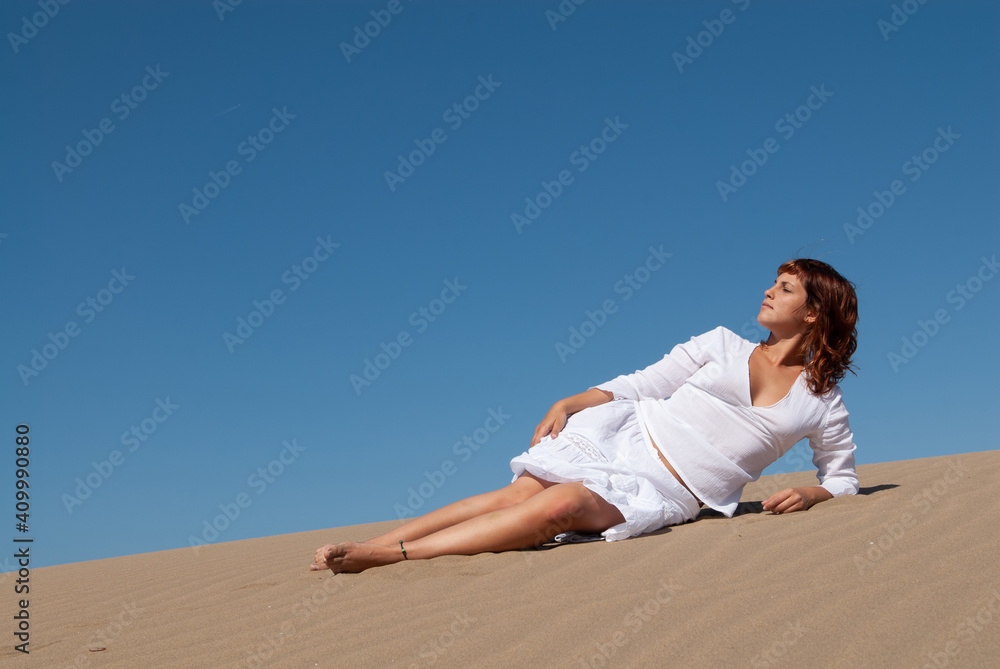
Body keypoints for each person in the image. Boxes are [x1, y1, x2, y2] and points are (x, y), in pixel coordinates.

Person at [311, 258, 859, 574]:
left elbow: (842, 477)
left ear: (813, 312)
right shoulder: (720, 342)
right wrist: (573, 401)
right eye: (773, 281)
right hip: (624, 439)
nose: (767, 289)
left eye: (784, 289)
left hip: (669, 493)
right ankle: (381, 543)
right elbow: (644, 383)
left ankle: (394, 557)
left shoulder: (821, 402)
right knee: (520, 492)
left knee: (561, 504)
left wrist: (814, 493)